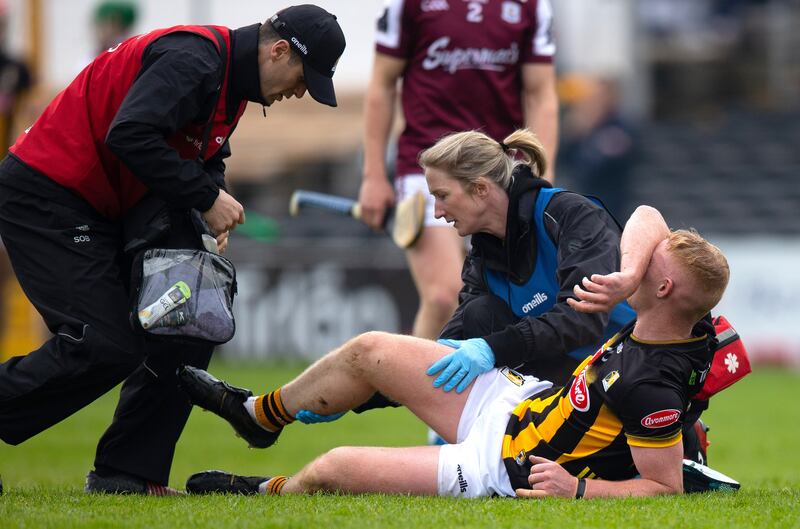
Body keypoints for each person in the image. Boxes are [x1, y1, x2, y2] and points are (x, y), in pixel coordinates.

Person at [0, 4, 346, 495]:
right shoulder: (194, 59)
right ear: (278, 51)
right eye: (303, 78)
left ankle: (127, 472)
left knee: (195, 311)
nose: (299, 92)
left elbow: (205, 155)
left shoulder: (231, 83)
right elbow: (130, 133)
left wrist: (211, 200)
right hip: (50, 193)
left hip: (108, 202)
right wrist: (205, 198)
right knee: (104, 344)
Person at [178, 204, 730, 498]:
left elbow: (663, 488)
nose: (634, 262)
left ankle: (267, 492)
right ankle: (260, 415)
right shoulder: (683, 318)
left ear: (664, 290)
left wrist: (577, 490)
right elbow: (647, 216)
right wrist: (631, 272)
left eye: (649, 266)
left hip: (501, 466)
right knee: (370, 349)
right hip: (517, 401)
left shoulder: (652, 383)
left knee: (333, 468)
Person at [358, 0, 560, 344]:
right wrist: (373, 175)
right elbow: (382, 83)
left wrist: (544, 174)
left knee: (498, 300)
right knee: (444, 296)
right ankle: (416, 378)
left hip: (498, 170)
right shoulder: (407, 5)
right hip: (425, 169)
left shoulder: (532, 6)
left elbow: (541, 94)